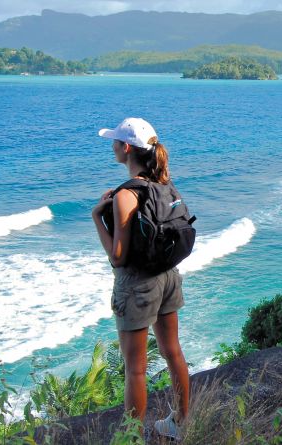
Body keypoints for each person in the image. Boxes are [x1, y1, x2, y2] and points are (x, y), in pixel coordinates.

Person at [91, 117, 189, 440]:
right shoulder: (163, 181)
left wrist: (97, 218)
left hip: (138, 285)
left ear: (126, 149)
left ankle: (132, 437)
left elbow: (118, 256)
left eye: (115, 141)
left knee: (135, 368)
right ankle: (181, 423)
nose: (112, 146)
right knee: (172, 350)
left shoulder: (125, 195)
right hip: (168, 276)